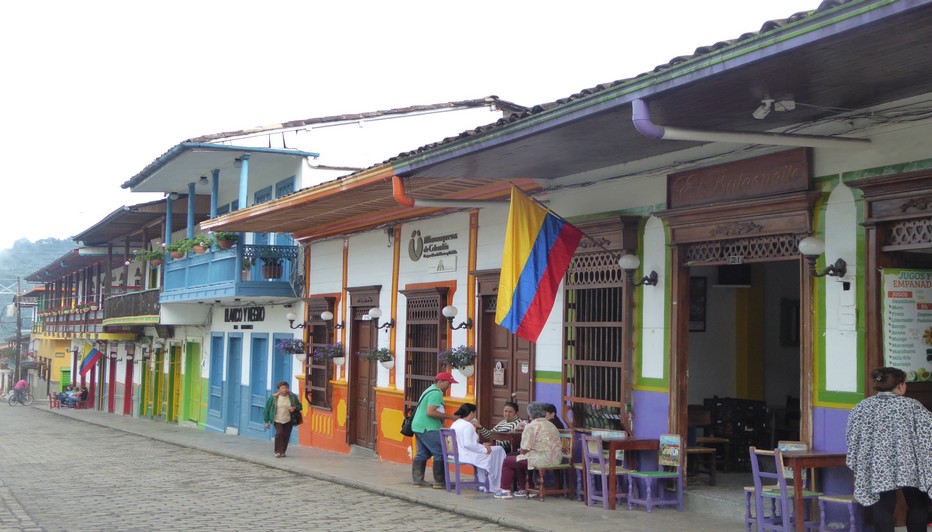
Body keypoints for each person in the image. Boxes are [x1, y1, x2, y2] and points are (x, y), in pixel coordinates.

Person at [845, 367, 932, 532]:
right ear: (900, 385)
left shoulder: (861, 408)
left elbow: (852, 436)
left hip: (878, 467)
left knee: (883, 506)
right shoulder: (913, 406)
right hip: (910, 464)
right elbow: (928, 434)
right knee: (917, 504)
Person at [495, 401, 564, 499]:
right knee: (519, 459)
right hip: (556, 459)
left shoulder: (531, 426)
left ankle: (505, 490)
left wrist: (522, 452)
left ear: (530, 414)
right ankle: (527, 488)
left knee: (508, 461)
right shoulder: (551, 425)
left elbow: (525, 448)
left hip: (541, 459)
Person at [410, 372, 458, 488]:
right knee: (440, 452)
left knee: (423, 453)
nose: (449, 386)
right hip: (428, 427)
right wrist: (450, 417)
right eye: (448, 383)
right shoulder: (436, 394)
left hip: (418, 426)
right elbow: (430, 412)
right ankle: (440, 482)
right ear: (440, 382)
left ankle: (418, 480)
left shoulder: (429, 390)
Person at [451, 403, 507, 493]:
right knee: (499, 450)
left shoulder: (455, 423)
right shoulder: (467, 425)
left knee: (494, 451)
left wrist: (483, 447)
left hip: (458, 453)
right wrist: (484, 449)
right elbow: (468, 444)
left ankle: (483, 484)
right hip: (466, 454)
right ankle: (495, 484)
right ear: (471, 413)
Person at [263, 381, 302, 458]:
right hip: (277, 419)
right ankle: (278, 451)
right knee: (279, 433)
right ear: (278, 389)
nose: (285, 389)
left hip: (289, 419)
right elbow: (266, 409)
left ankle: (283, 451)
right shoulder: (273, 398)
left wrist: (294, 408)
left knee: (286, 435)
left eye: (286, 387)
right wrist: (266, 421)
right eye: (282, 388)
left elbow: (300, 406)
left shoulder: (292, 397)